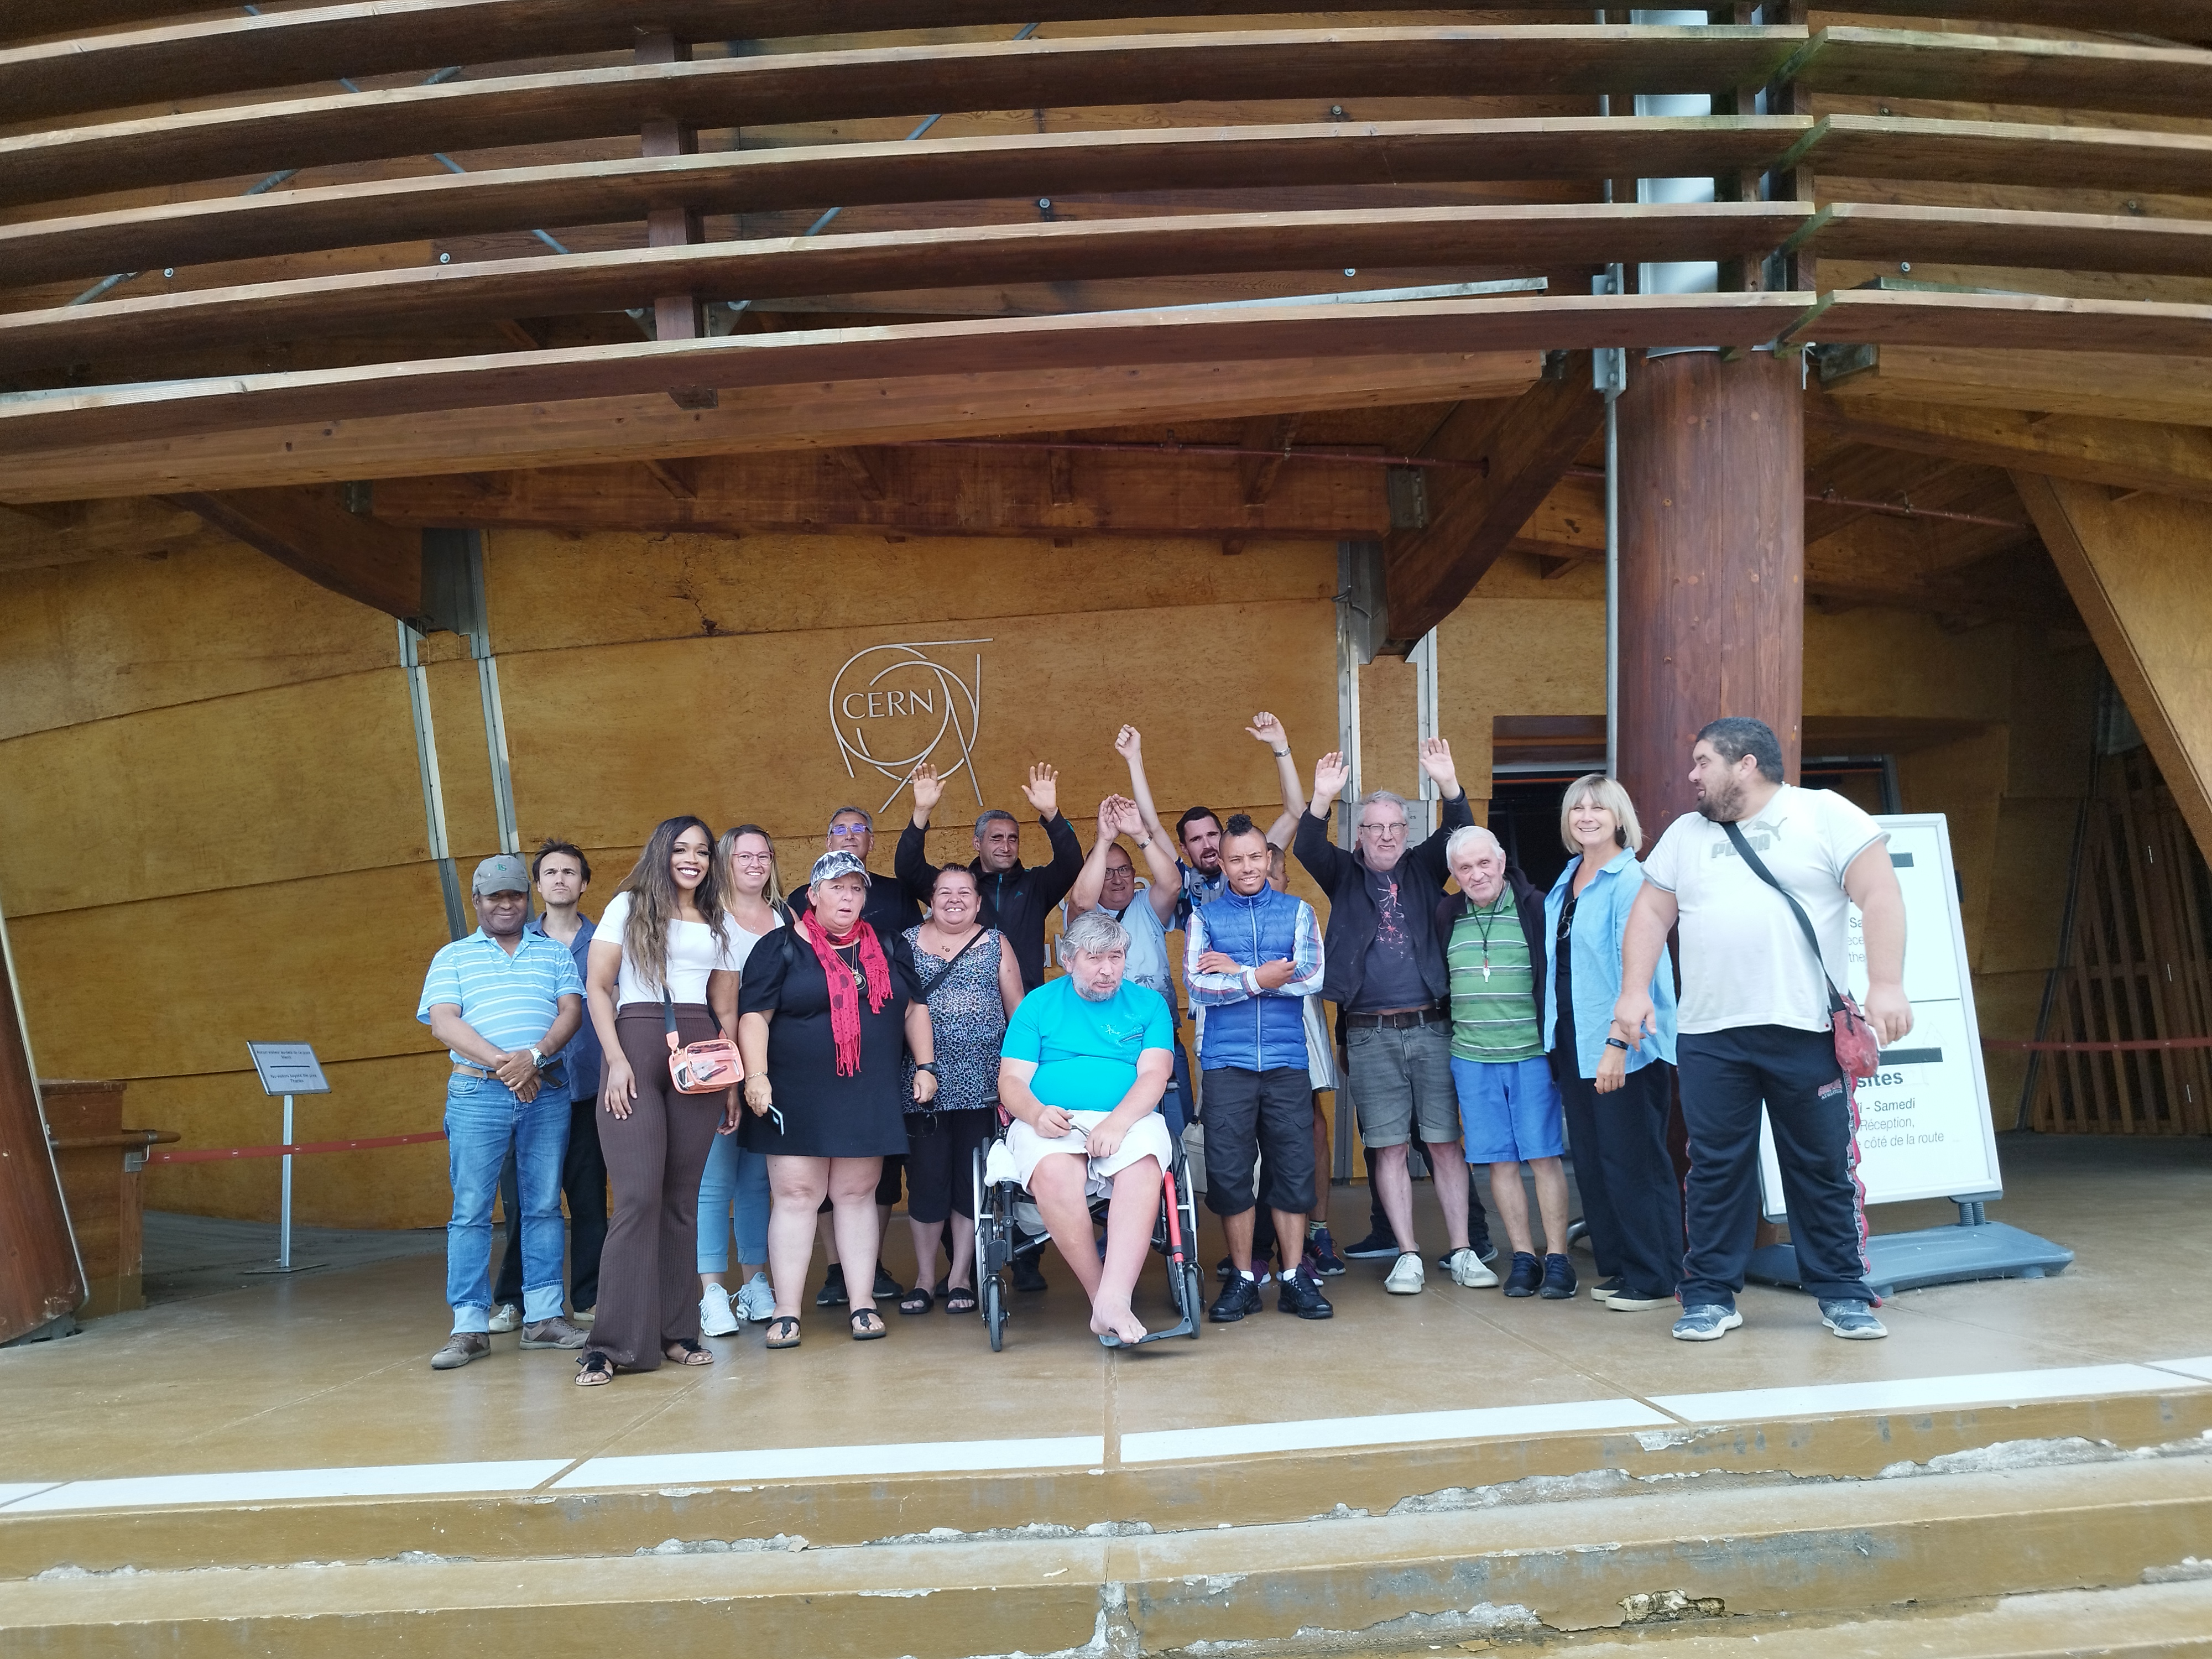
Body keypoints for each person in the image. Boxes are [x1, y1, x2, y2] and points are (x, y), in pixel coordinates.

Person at [1616, 717, 1912, 1344]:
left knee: (1821, 1167)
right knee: (1714, 1168)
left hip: (1805, 1028)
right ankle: (1707, 1297)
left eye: (1703, 762)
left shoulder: (1826, 814)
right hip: (1709, 1034)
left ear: (1744, 763)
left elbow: (1881, 895)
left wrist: (1885, 983)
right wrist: (1634, 991)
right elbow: (1649, 910)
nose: (1692, 775)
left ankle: (1842, 1293)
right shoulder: (1684, 835)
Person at [1296, 739, 1486, 1296]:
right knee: (1388, 1147)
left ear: (1406, 831)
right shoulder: (1343, 872)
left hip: (1431, 1025)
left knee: (1447, 1143)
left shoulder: (1426, 867)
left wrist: (1449, 784)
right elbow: (1308, 844)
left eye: (1394, 827)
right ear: (1359, 834)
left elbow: (1461, 829)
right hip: (1369, 1032)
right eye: (1374, 827)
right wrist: (1321, 797)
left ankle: (1462, 1249)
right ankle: (1407, 1253)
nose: (1384, 836)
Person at [738, 850, 937, 1348]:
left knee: (855, 1196)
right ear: (813, 895)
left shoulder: (888, 946)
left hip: (864, 1091)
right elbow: (754, 1017)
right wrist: (755, 1077)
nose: (849, 897)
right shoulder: (779, 946)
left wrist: (926, 1065)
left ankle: (863, 1303)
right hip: (795, 1092)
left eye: (857, 889)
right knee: (796, 1197)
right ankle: (787, 1311)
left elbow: (914, 1009)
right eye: (838, 888)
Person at [575, 817, 747, 1386]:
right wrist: (617, 1058)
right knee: (637, 1198)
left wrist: (729, 1081)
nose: (692, 859)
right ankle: (610, 1344)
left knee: (681, 1200)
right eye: (681, 849)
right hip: (636, 1041)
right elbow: (597, 986)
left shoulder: (719, 918)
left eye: (701, 851)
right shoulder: (628, 906)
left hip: (700, 1054)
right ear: (661, 853)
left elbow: (725, 1009)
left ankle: (676, 1332)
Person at [416, 854, 586, 1370]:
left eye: (514, 895)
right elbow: (444, 1022)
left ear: (525, 899)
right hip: (477, 1093)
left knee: (542, 1206)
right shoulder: (453, 957)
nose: (506, 904)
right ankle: (468, 1326)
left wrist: (532, 1059)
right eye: (495, 897)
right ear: (477, 902)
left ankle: (543, 1317)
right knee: (470, 1211)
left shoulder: (553, 954)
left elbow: (572, 1011)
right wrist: (504, 1064)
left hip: (545, 1091)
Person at [1000, 909, 1180, 1347]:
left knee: (1142, 1169)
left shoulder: (1148, 1004)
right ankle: (1105, 1298)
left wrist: (1119, 1123)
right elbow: (1011, 1082)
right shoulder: (1038, 1005)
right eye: (1095, 958)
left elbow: (1155, 1075)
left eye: (1116, 957)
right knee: (1055, 1172)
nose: (1107, 970)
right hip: (1052, 1117)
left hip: (1129, 1116)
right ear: (1068, 958)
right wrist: (1036, 1113)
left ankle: (1112, 1301)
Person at [1544, 776, 1681, 1314]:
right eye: (1577, 807)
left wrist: (1617, 1045)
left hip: (1624, 1044)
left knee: (1634, 1163)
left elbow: (1637, 973)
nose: (1586, 815)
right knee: (1599, 1164)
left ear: (1618, 817)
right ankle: (1623, 1265)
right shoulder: (1569, 878)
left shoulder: (1632, 881)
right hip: (1574, 1042)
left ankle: (1655, 1276)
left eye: (1598, 807)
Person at [1187, 814, 1332, 1322]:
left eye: (1256, 857)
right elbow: (1199, 987)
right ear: (1221, 864)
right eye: (1236, 859)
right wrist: (1263, 977)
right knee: (1229, 1175)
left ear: (1268, 859)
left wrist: (1239, 973)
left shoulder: (1298, 911)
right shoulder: (1203, 918)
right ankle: (1244, 1279)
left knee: (1293, 1170)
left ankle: (1294, 1278)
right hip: (1226, 1064)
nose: (1247, 867)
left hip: (1287, 1061)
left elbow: (1311, 976)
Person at [792, 805, 914, 1311]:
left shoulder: (897, 901)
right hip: (812, 1078)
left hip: (875, 1071)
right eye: (839, 830)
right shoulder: (793, 922)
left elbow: (910, 991)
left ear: (872, 840)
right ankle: (836, 1270)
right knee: (816, 1180)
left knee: (870, 1180)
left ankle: (871, 1265)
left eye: (858, 829)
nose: (847, 896)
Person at [1440, 826, 1568, 1299]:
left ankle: (1557, 1258)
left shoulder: (1536, 908)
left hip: (1531, 1053)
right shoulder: (1448, 913)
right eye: (1465, 868)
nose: (1476, 874)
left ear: (1501, 861)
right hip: (1471, 1057)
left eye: (1483, 863)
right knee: (1498, 1161)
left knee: (1543, 1155)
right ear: (1454, 874)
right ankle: (1524, 1258)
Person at [487, 839, 607, 1332]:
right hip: (528, 1092)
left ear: (584, 883)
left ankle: (591, 1296)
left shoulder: (606, 941)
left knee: (588, 1200)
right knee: (525, 1201)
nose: (560, 880)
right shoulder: (512, 943)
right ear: (537, 886)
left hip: (589, 1091)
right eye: (550, 873)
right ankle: (515, 1299)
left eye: (570, 872)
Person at [896, 864, 1022, 1317]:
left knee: (971, 1183)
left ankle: (962, 1276)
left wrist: (1019, 1081)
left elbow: (1020, 1017)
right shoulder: (906, 943)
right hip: (922, 1083)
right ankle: (925, 1279)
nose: (955, 899)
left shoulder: (996, 943)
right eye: (945, 892)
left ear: (978, 899)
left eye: (964, 892)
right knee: (927, 1181)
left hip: (986, 1086)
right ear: (930, 898)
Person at [697, 825, 789, 1337]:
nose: (755, 863)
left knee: (757, 1181)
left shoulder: (787, 918)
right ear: (725, 861)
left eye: (763, 855)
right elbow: (720, 1006)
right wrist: (731, 1077)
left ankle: (755, 1284)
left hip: (776, 1070)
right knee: (714, 1184)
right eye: (743, 855)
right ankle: (711, 1291)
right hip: (717, 1066)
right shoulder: (708, 920)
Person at [897, 762, 1084, 991]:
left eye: (1013, 839)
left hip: (1022, 1008)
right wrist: (922, 812)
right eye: (996, 838)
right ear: (978, 843)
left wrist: (1052, 815)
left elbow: (1071, 863)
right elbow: (907, 868)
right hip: (973, 1009)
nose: (1006, 846)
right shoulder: (959, 889)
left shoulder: (1036, 885)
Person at [1065, 794, 1189, 1133]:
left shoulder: (1146, 904)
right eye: (1107, 872)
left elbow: (1174, 883)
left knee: (1175, 1123)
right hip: (1103, 1038)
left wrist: (1140, 835)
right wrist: (1103, 841)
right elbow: (1079, 900)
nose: (1117, 879)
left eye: (1124, 870)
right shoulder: (1085, 917)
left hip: (1159, 1033)